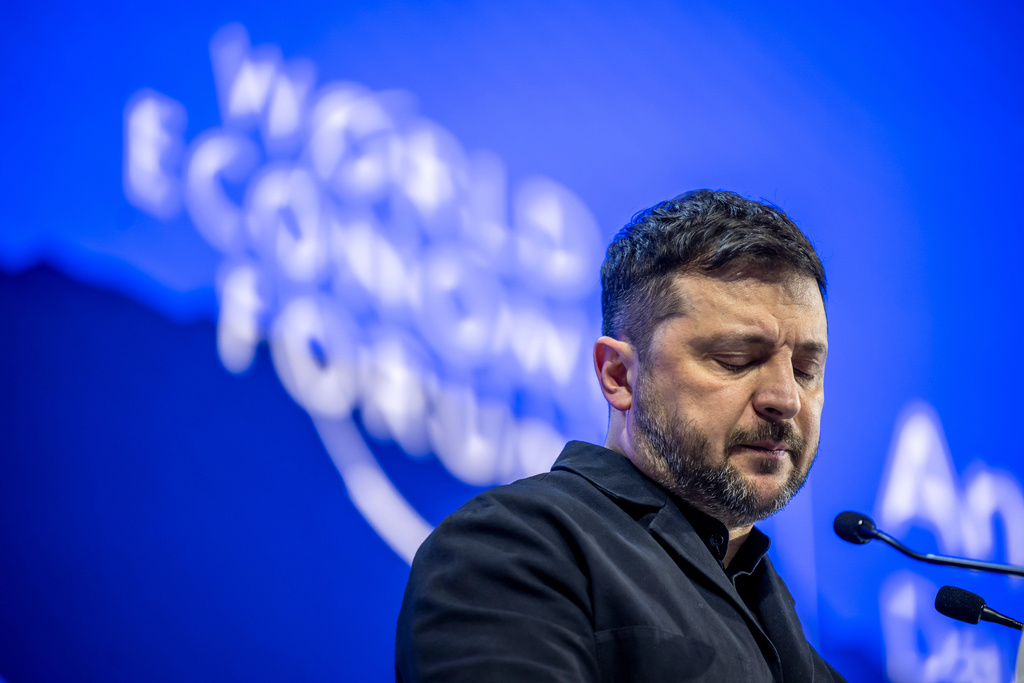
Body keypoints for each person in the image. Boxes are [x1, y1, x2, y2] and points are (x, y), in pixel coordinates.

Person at [395, 190, 846, 682]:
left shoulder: (799, 647)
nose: (786, 398)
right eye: (736, 360)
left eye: (806, 370)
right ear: (619, 375)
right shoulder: (513, 546)